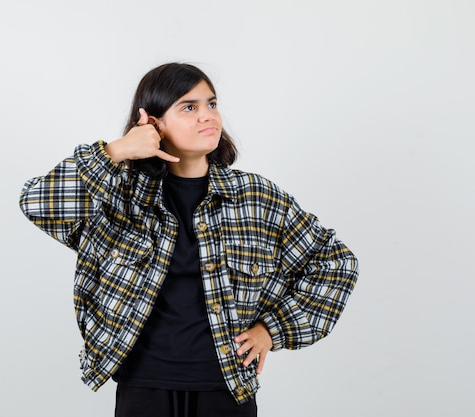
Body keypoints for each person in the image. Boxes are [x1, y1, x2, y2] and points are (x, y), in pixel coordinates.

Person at [19, 62, 359, 417]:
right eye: (189, 107)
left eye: (211, 104)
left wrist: (272, 329)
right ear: (153, 123)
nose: (207, 117)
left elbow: (335, 263)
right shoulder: (118, 196)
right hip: (143, 386)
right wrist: (115, 151)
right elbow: (38, 203)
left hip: (226, 387)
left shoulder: (257, 198)